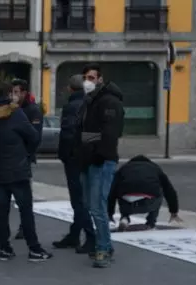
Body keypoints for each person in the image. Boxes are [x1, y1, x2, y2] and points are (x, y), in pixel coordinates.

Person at [0, 83, 53, 261]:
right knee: (25, 209)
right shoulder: (15, 113)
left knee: (2, 210)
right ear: (9, 94)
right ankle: (34, 249)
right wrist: (26, 153)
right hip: (17, 167)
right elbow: (33, 136)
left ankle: (4, 248)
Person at [76, 63, 125, 268]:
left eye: (92, 77)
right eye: (86, 77)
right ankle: (105, 245)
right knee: (90, 205)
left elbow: (111, 133)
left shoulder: (109, 102)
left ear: (100, 79)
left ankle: (103, 249)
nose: (88, 81)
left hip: (102, 161)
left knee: (97, 207)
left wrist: (94, 149)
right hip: (90, 160)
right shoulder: (90, 101)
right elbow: (88, 133)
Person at [52, 74, 96, 254]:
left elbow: (69, 133)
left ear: (71, 88)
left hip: (74, 158)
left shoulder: (72, 106)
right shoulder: (90, 103)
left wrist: (66, 154)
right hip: (86, 157)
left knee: (78, 200)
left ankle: (90, 237)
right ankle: (74, 234)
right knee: (81, 199)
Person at [108, 155, 182, 231]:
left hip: (126, 204)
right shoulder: (155, 168)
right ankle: (150, 223)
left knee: (121, 190)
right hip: (147, 202)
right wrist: (174, 211)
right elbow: (169, 190)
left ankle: (124, 218)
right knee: (160, 190)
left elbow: (111, 192)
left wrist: (109, 214)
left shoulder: (123, 169)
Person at [9, 79, 43, 240]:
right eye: (12, 92)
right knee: (5, 195)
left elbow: (35, 137)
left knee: (24, 197)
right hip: (9, 158)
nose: (13, 95)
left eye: (16, 92)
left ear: (24, 93)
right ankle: (2, 225)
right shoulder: (12, 108)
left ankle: (25, 227)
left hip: (24, 159)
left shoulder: (33, 110)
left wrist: (27, 154)